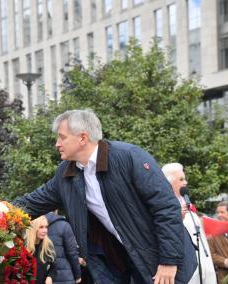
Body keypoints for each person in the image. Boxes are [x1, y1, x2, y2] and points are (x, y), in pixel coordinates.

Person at [13, 109, 197, 284]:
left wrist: (169, 261)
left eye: (62, 137)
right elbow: (32, 203)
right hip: (117, 263)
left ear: (83, 138)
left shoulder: (128, 157)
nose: (57, 144)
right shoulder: (67, 174)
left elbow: (166, 208)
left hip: (159, 261)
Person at [161, 162, 217, 284]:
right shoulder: (163, 206)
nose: (185, 182)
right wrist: (177, 217)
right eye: (181, 179)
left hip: (202, 266)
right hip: (183, 269)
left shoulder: (188, 205)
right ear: (169, 182)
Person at [45, 212, 81, 284]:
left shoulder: (35, 224)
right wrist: (78, 275)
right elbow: (72, 253)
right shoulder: (64, 225)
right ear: (56, 209)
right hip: (65, 277)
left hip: (44, 276)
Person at [26, 215, 57, 284]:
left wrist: (50, 277)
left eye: (46, 227)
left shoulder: (48, 245)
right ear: (33, 228)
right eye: (41, 227)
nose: (45, 230)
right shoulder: (24, 246)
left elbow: (54, 268)